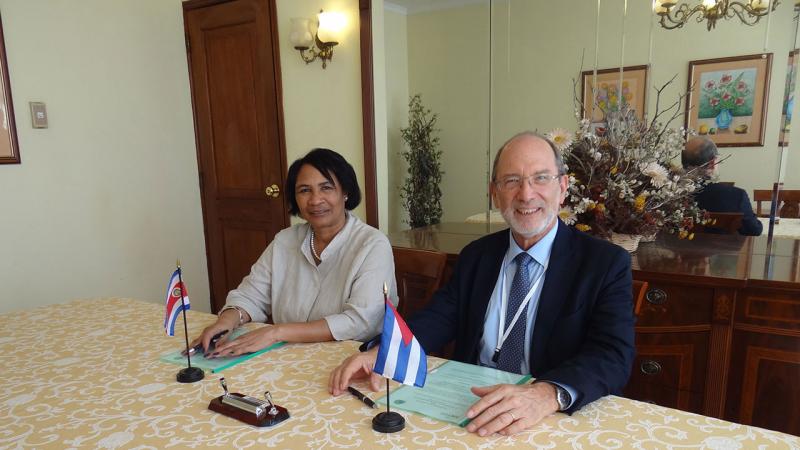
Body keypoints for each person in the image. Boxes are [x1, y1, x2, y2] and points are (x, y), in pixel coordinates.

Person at [328, 132, 635, 436]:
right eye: (512, 181)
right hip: (469, 407)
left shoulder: (604, 264)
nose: (526, 195)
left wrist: (546, 394)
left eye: (541, 178)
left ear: (563, 188)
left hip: (547, 417)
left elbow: (612, 355)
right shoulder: (478, 255)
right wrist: (384, 352)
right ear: (494, 193)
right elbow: (439, 318)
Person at [190, 148, 397, 358]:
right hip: (286, 357)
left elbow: (360, 321)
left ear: (345, 192)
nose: (315, 200)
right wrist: (226, 322)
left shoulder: (372, 244)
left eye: (326, 188)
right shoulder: (285, 240)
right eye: (304, 190)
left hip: (350, 359)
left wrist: (277, 332)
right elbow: (250, 295)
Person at [682, 137, 762, 236]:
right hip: (722, 250)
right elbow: (754, 230)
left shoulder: (669, 193)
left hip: (678, 250)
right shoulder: (736, 196)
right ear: (712, 163)